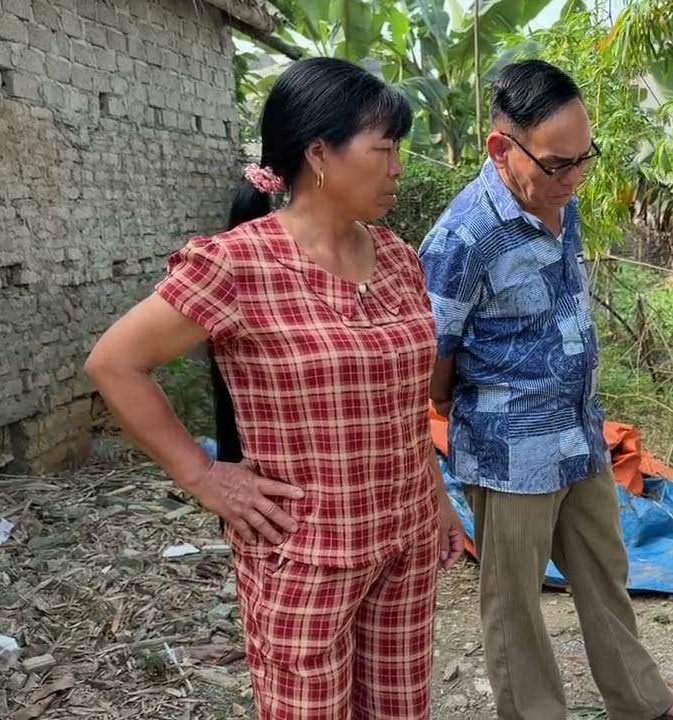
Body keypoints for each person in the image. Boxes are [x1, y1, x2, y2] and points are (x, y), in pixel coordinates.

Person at [84, 57, 464, 719]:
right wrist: (204, 475)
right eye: (383, 150)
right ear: (319, 154)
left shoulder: (399, 259)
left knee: (402, 708)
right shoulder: (238, 263)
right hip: (304, 556)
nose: (398, 168)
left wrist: (437, 502)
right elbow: (114, 363)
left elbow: (405, 407)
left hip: (403, 541)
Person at [418, 59, 673, 720]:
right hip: (510, 455)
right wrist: (462, 406)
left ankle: (641, 700)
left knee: (604, 573)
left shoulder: (561, 200)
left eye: (585, 158)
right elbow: (432, 359)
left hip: (580, 435)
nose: (576, 177)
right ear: (502, 148)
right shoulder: (463, 237)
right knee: (515, 606)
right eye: (559, 164)